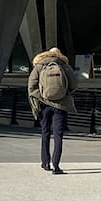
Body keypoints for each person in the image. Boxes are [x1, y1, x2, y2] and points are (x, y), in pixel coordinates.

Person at [27, 47, 79, 175]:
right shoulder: (64, 66)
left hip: (44, 105)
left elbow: (31, 86)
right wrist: (63, 94)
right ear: (59, 54)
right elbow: (74, 85)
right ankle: (56, 165)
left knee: (45, 133)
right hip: (60, 105)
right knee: (58, 135)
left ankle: (45, 162)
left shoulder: (39, 66)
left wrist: (43, 97)